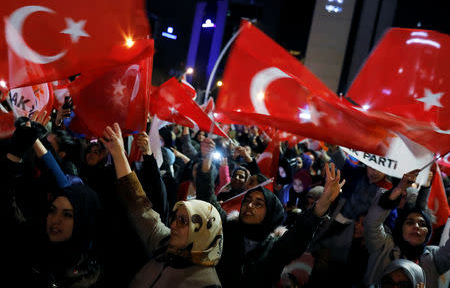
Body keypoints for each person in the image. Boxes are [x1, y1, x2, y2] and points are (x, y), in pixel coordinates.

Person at [195, 137, 345, 287]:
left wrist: (324, 200)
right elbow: (207, 198)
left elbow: (301, 233)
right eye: (247, 201)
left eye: (258, 203)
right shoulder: (227, 228)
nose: (250, 205)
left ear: (270, 214)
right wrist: (207, 159)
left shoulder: (275, 249)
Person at [101, 123, 223, 287]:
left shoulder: (206, 284)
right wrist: (118, 155)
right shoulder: (165, 242)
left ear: (204, 231)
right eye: (175, 218)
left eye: (183, 221)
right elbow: (138, 206)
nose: (173, 225)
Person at [2, 119, 103, 288]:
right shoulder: (29, 242)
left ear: (83, 220)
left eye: (67, 214)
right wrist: (15, 153)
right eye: (52, 211)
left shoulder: (88, 278)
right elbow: (5, 202)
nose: (55, 220)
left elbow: (55, 169)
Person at [364, 169, 450, 288]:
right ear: (400, 228)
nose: (416, 226)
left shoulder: (434, 257)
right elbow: (371, 224)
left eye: (422, 224)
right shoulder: (384, 246)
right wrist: (398, 189)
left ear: (428, 233)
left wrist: (425, 189)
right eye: (410, 222)